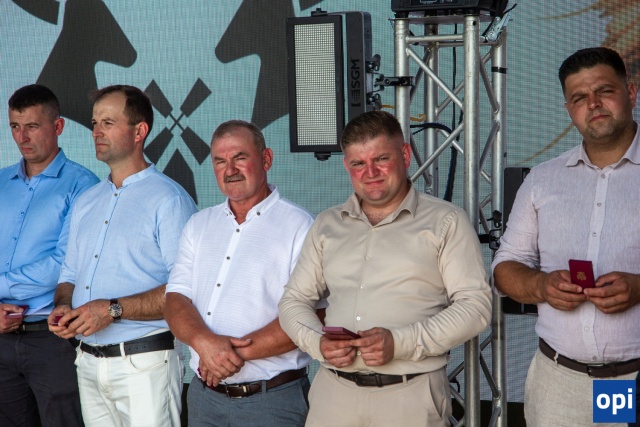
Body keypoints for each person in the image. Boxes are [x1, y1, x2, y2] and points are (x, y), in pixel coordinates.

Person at [278, 110, 492, 426]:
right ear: (346, 166)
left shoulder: (446, 222)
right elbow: (293, 301)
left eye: (381, 159)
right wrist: (317, 343)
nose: (370, 172)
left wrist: (399, 342)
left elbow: (476, 307)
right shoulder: (327, 224)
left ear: (405, 155)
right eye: (358, 163)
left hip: (410, 396)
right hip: (333, 396)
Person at [492, 47, 640, 426]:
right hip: (560, 381)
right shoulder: (543, 180)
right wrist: (541, 286)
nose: (593, 104)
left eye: (604, 91)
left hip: (634, 377)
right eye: (579, 97)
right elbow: (505, 268)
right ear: (568, 109)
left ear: (631, 92)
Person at [49, 85, 197, 427]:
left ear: (139, 131)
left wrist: (111, 310)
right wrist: (63, 306)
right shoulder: (87, 200)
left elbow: (185, 290)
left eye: (108, 122)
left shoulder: (170, 200)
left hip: (144, 363)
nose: (96, 132)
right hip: (88, 361)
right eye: (94, 123)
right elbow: (69, 273)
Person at [165, 120, 319, 426]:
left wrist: (222, 356)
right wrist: (205, 344)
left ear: (266, 159)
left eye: (240, 157)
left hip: (271, 401)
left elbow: (310, 314)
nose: (230, 169)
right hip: (204, 398)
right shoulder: (199, 224)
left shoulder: (301, 226)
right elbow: (175, 299)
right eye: (220, 161)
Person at [0, 84, 99, 427]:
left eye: (32, 126)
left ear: (58, 126)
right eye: (15, 126)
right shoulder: (0, 182)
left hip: (52, 337)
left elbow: (64, 263)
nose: (22, 137)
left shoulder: (83, 185)